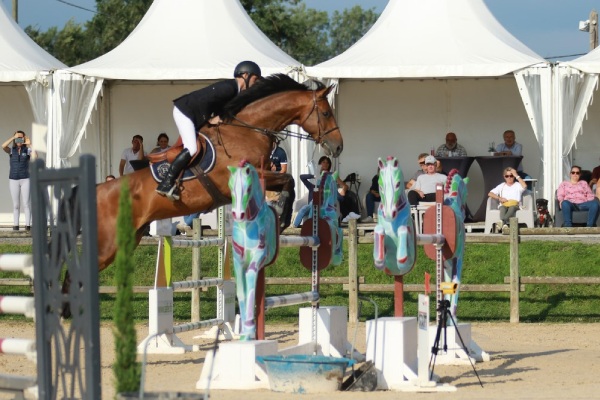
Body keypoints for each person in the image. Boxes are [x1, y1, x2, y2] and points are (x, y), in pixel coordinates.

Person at [156, 61, 262, 200]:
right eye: (255, 78)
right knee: (192, 148)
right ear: (245, 75)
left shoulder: (233, 90)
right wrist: (209, 120)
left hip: (191, 113)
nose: (256, 82)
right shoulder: (228, 88)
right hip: (185, 111)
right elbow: (205, 100)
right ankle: (166, 182)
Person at [293, 156, 348, 227]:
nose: (325, 164)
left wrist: (343, 189)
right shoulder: (317, 175)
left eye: (327, 163)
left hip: (325, 200)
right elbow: (302, 177)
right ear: (320, 164)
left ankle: (311, 227)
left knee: (313, 209)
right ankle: (295, 226)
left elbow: (345, 186)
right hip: (315, 200)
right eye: (323, 162)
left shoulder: (332, 175)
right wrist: (314, 176)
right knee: (304, 208)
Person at [3, 131, 36, 231]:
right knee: (16, 204)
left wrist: (29, 143)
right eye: (18, 138)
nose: (19, 140)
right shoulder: (12, 150)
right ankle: (16, 225)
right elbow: (3, 146)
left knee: (26, 203)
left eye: (21, 138)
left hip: (25, 178)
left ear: (24, 139)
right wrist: (13, 137)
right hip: (13, 179)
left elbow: (36, 157)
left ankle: (27, 225)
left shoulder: (27, 149)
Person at [488, 167, 527, 232]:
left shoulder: (517, 185)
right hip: (504, 204)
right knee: (502, 208)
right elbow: (490, 193)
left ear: (513, 176)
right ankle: (504, 225)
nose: (509, 177)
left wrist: (516, 175)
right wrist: (499, 198)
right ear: (504, 177)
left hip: (515, 205)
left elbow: (525, 186)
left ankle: (502, 221)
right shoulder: (502, 186)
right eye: (507, 176)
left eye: (511, 176)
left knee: (512, 208)